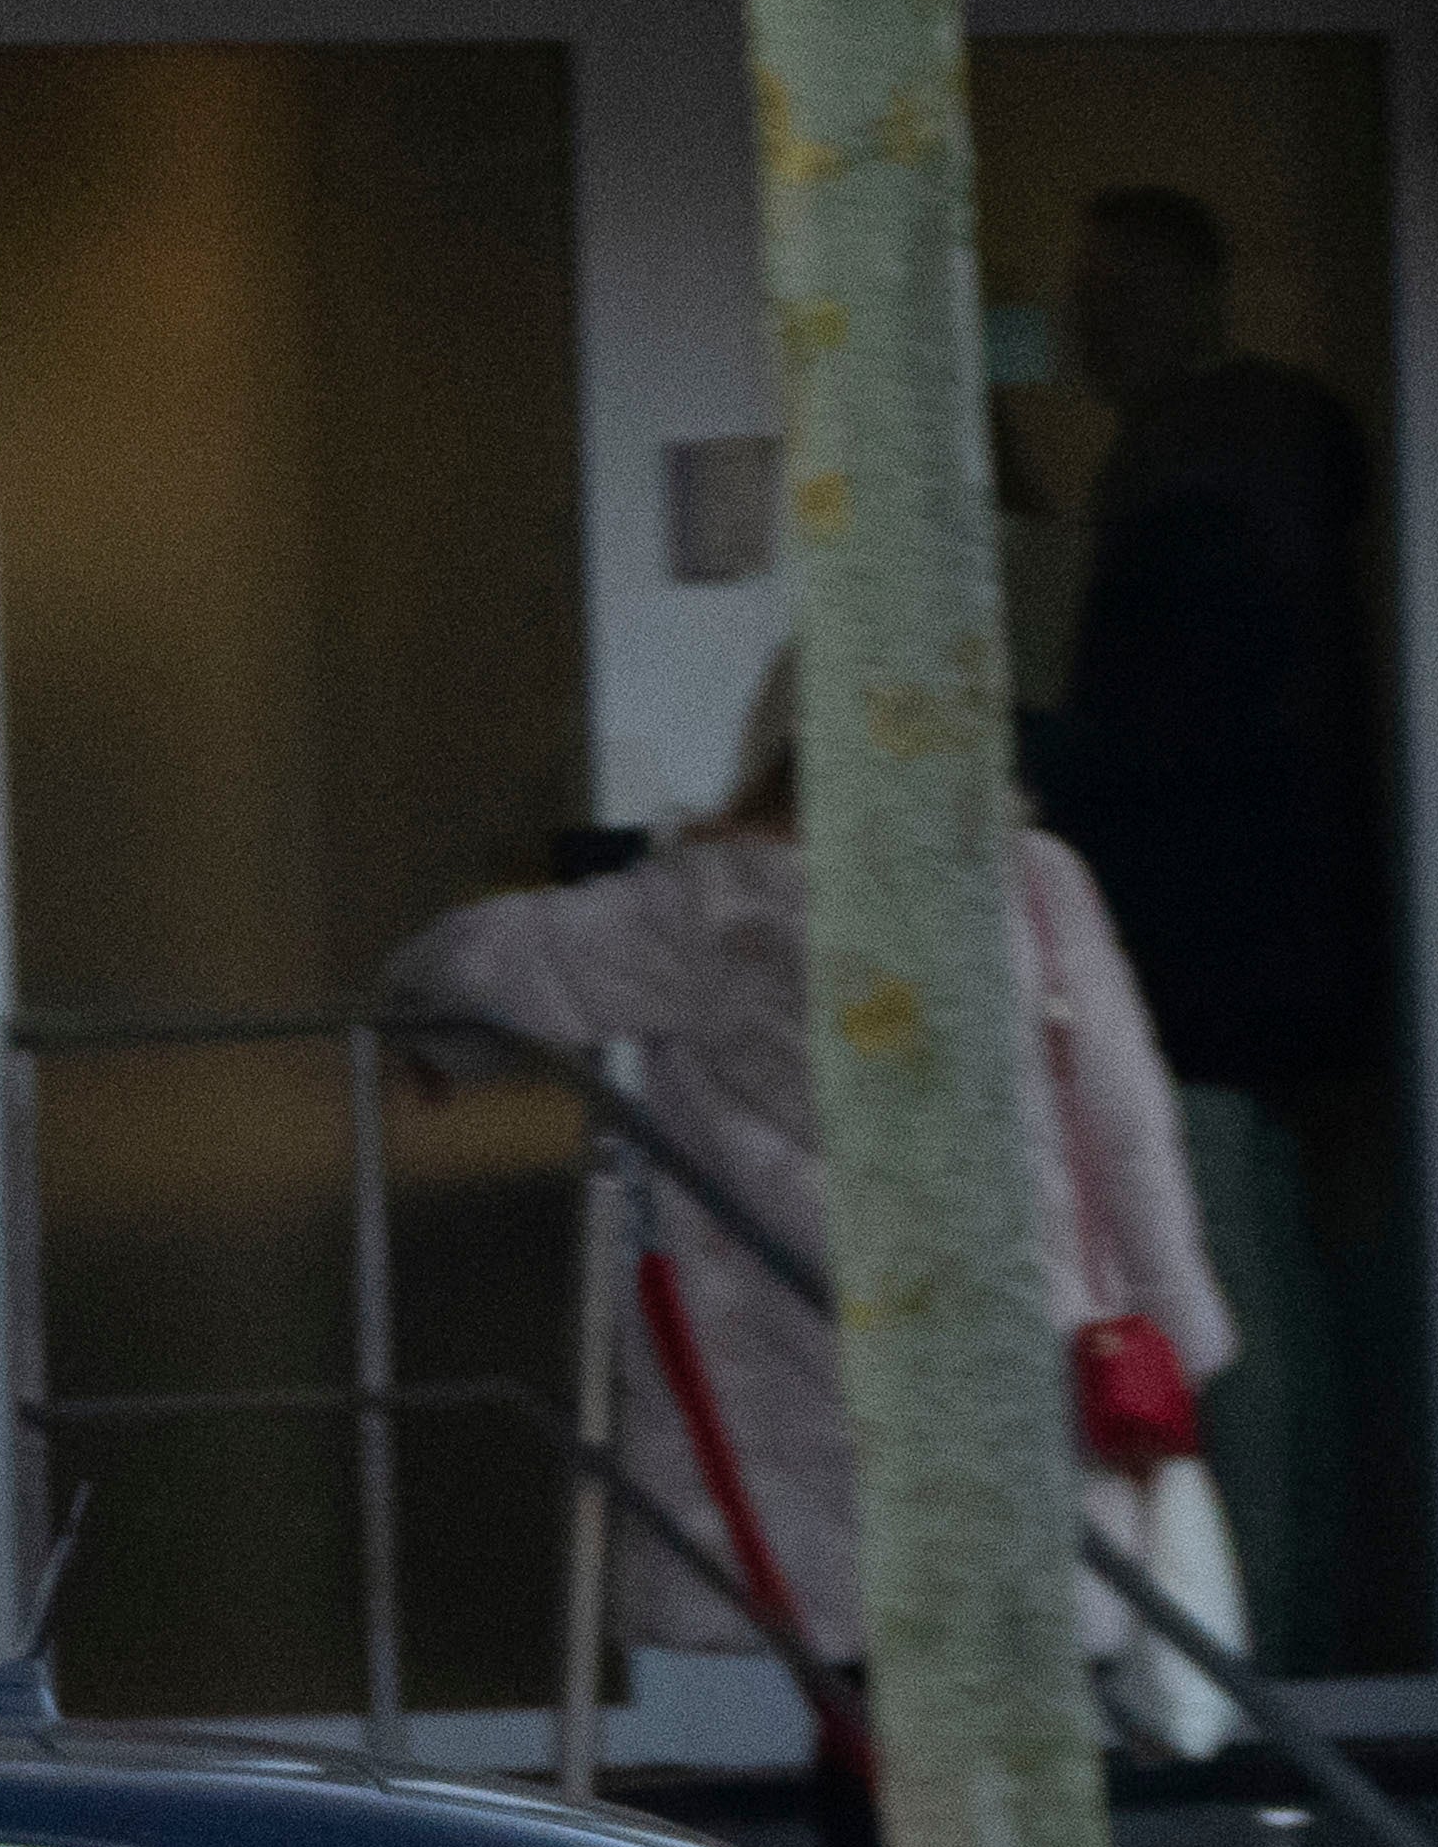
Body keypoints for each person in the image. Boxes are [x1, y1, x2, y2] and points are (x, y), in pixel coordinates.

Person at [382, 655, 1242, 1760]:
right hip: (1032, 1362)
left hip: (830, 1382)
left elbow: (470, 964)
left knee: (879, 1736)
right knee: (1017, 1740)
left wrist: (445, 1045)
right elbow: (1130, 1128)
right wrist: (1178, 1337)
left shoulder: (714, 904)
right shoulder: (1032, 881)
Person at [1019, 186, 1395, 1671]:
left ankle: (1267, 1641)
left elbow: (1176, 750)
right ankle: (1272, 1624)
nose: (1086, 321)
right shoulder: (1237, 490)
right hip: (1258, 962)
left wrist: (1040, 751)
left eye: (1116, 290)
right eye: (1079, 291)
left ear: (1194, 298)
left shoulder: (1204, 511)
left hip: (1214, 970)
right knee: (1262, 1290)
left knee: (1235, 1308)